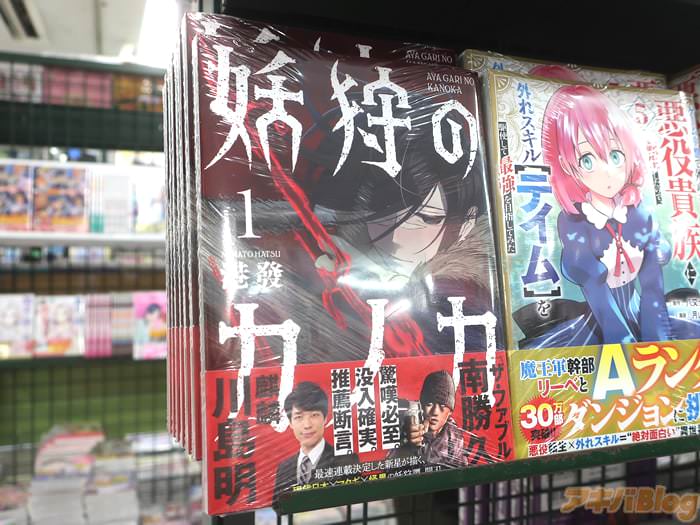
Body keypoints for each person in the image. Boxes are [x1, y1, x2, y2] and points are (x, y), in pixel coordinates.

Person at [520, 84, 698, 347]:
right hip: (602, 315)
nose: (608, 173)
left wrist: (656, 333)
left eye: (616, 155)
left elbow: (653, 280)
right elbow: (584, 275)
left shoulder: (637, 211)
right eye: (587, 160)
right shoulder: (573, 221)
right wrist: (620, 337)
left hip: (646, 308)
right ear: (565, 164)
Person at [272, 382, 358, 504]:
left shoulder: (346, 460)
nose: (307, 425)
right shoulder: (284, 467)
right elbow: (278, 506)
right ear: (290, 423)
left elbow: (353, 502)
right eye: (299, 417)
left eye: (314, 415)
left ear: (325, 418)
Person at [392, 370, 466, 469]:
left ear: (450, 412)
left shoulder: (454, 437)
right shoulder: (407, 425)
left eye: (442, 406)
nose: (435, 412)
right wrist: (408, 445)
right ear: (421, 405)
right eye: (429, 404)